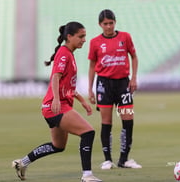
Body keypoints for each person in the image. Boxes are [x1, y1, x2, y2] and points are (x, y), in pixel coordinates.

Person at [12, 21, 102, 182]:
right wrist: (55, 99)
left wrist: (82, 101)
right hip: (56, 107)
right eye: (81, 36)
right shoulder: (64, 53)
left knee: (58, 146)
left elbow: (66, 85)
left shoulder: (69, 54)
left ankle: (22, 163)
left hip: (54, 107)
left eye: (85, 36)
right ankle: (87, 176)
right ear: (69, 37)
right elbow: (55, 77)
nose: (84, 40)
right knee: (88, 132)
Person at [88, 9, 142, 170]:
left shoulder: (125, 37)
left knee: (128, 120)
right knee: (106, 122)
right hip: (104, 84)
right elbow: (92, 65)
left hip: (123, 84)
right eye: (105, 24)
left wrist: (133, 78)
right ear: (100, 25)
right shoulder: (95, 42)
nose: (109, 26)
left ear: (115, 22)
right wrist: (90, 89)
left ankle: (124, 159)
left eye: (111, 23)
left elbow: (134, 56)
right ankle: (107, 160)